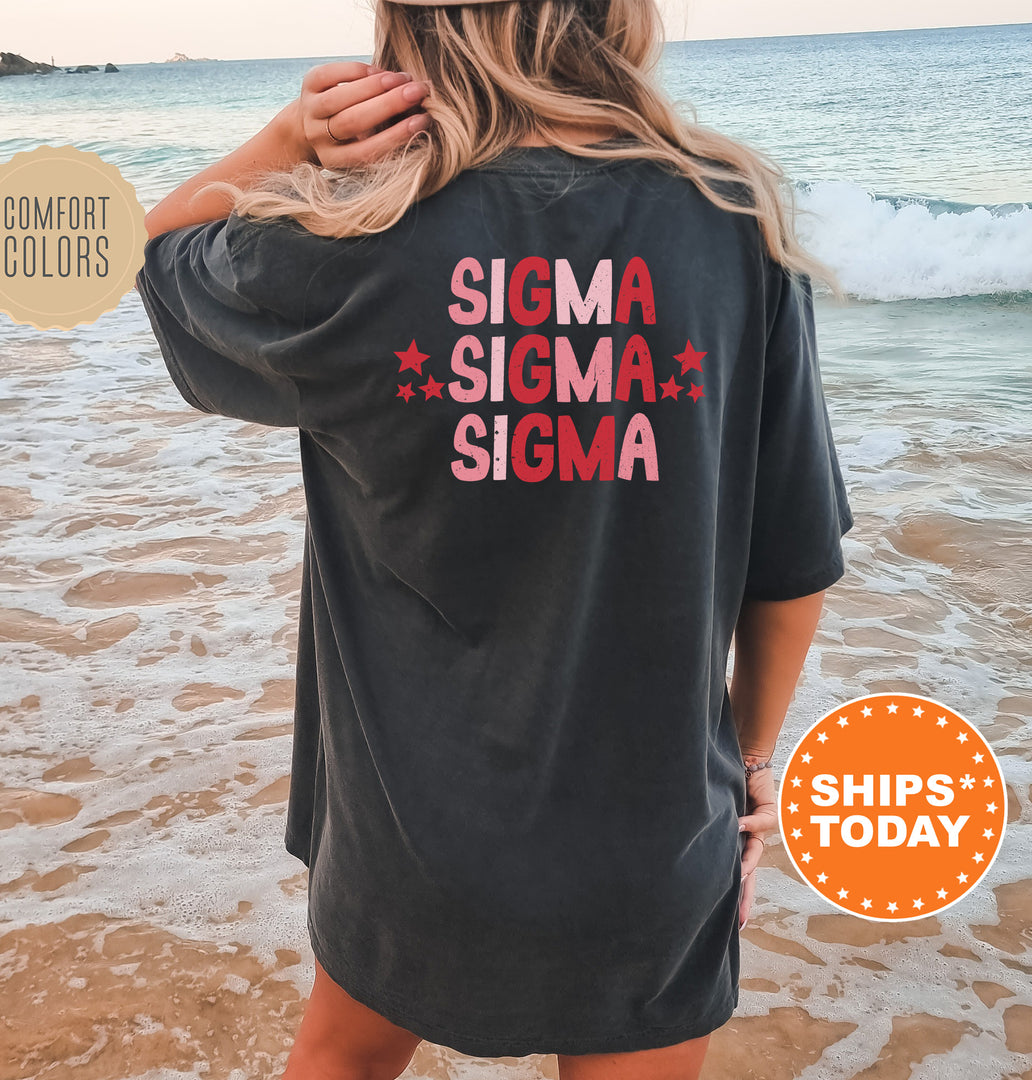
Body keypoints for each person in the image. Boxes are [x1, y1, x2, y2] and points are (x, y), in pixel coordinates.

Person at [134, 0, 855, 1077]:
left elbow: (153, 253)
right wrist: (753, 764)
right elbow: (793, 559)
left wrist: (290, 142)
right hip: (649, 833)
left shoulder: (345, 238)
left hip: (407, 835)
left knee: (340, 1057)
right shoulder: (731, 220)